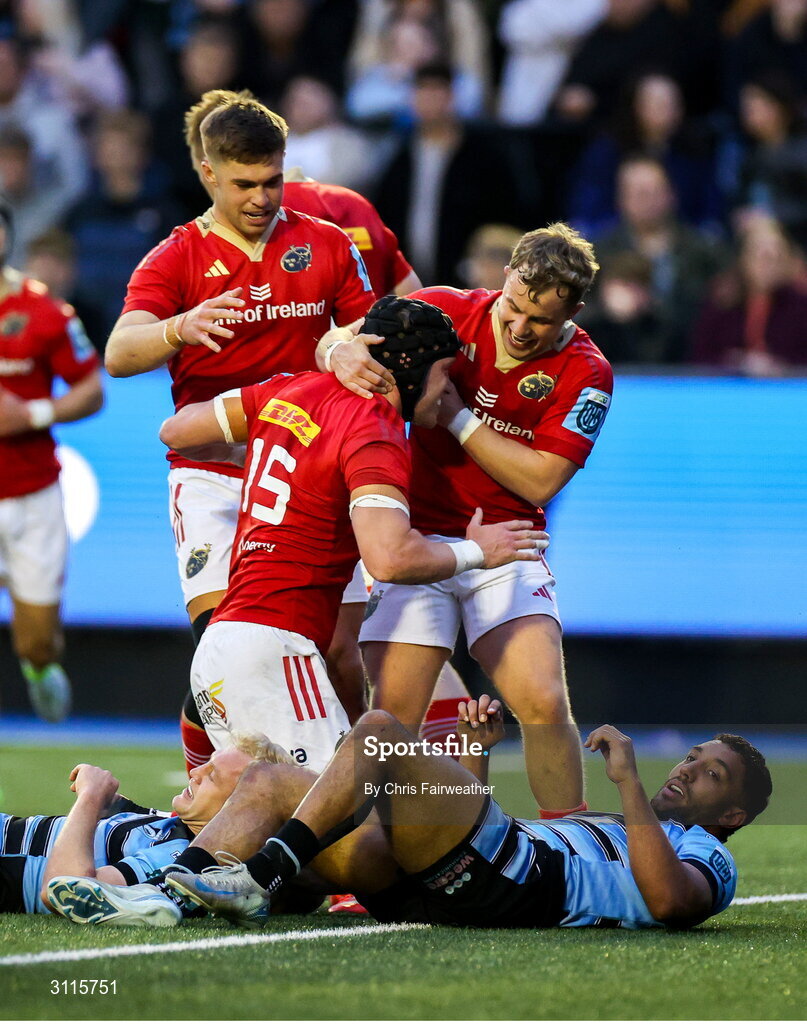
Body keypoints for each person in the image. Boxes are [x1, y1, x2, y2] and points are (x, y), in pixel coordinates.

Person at [157, 295, 547, 773]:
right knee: (352, 826)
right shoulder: (375, 430)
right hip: (279, 652)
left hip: (222, 645)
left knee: (248, 827)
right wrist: (476, 552)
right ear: (412, 372)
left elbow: (176, 431)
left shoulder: (290, 389)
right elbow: (389, 560)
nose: (449, 390)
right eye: (444, 374)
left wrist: (265, 450)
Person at [103, 96, 376, 770]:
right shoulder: (176, 259)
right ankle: (210, 803)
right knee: (223, 647)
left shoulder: (325, 244)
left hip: (310, 472)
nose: (260, 198)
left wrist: (341, 344)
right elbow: (118, 352)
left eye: (272, 181)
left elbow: (367, 329)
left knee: (334, 652)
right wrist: (178, 328)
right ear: (208, 174)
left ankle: (346, 799)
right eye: (244, 183)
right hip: (214, 475)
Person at [48, 698, 772, 932]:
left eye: (709, 773)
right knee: (269, 780)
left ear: (732, 813)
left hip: (514, 888)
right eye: (691, 757)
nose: (686, 771)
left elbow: (669, 902)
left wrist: (628, 788)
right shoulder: (628, 829)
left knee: (381, 731)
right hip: (461, 877)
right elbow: (480, 838)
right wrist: (478, 759)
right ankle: (161, 896)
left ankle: (257, 876)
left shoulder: (708, 856)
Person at [354, 223, 613, 816]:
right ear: (505, 278)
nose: (520, 329)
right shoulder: (442, 310)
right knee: (389, 720)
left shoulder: (588, 372)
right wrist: (337, 349)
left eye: (539, 322)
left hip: (507, 544)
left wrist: (458, 419)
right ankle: (369, 864)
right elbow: (344, 345)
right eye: (513, 308)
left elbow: (542, 479)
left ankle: (573, 851)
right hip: (416, 541)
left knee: (545, 702)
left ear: (573, 311)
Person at [0, 202, 103, 722]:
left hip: (31, 494)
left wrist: (33, 412)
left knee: (38, 642)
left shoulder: (44, 313)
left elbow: (91, 390)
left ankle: (39, 667)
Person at [0, 733, 285, 920]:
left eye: (212, 776)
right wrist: (107, 797)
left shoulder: (179, 858)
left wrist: (89, 797)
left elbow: (59, 888)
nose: (195, 773)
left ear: (236, 811)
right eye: (205, 764)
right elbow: (132, 817)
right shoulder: (178, 825)